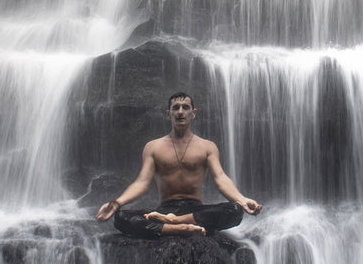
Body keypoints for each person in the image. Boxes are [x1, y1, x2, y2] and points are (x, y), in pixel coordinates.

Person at [94, 92, 262, 237]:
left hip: (195, 211)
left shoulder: (207, 146)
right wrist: (116, 203)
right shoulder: (153, 147)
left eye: (185, 107)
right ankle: (179, 228)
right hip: (163, 209)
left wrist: (242, 200)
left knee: (235, 210)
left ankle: (174, 223)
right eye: (176, 108)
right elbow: (142, 183)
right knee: (121, 217)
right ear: (168, 114)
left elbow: (221, 178)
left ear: (193, 113)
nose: (180, 112)